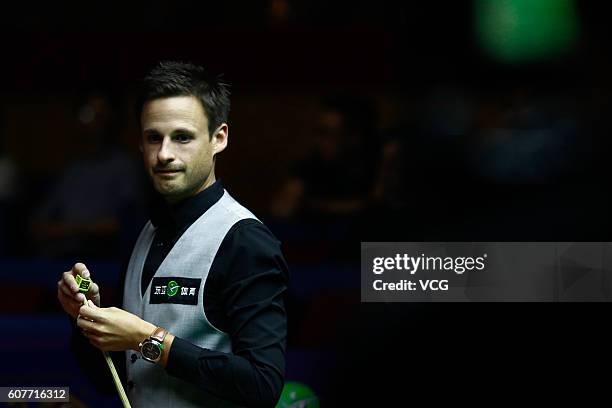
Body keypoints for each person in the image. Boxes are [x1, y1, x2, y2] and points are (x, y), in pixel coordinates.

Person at [57, 61, 289, 407]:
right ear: (140, 143)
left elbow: (262, 385)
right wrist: (87, 318)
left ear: (218, 138)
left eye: (182, 137)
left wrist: (146, 339)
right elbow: (123, 381)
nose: (164, 154)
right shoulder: (145, 234)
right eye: (154, 138)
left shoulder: (245, 240)